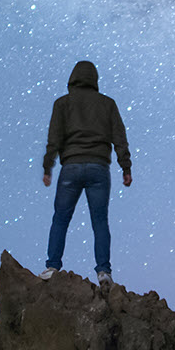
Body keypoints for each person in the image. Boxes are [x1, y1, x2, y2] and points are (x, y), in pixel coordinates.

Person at [41, 60, 132, 285]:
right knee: (100, 221)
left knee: (60, 219)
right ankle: (104, 272)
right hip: (98, 168)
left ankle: (52, 267)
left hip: (70, 167)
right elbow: (119, 137)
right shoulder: (107, 104)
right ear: (94, 79)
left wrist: (47, 167)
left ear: (72, 77)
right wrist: (126, 168)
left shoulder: (62, 104)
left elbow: (54, 138)